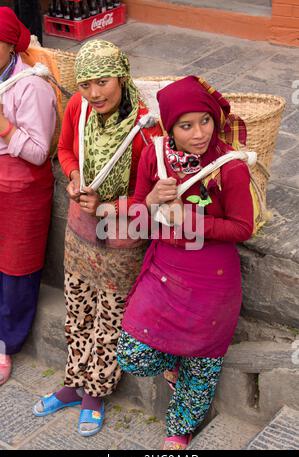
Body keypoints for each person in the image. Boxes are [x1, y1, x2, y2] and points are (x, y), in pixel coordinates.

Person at [116, 76, 254, 450]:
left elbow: (244, 227)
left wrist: (188, 220)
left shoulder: (230, 167)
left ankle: (180, 429)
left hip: (213, 281)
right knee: (131, 354)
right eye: (186, 125)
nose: (199, 133)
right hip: (165, 271)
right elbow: (141, 216)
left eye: (205, 121)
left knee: (203, 363)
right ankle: (172, 362)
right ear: (169, 127)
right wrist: (151, 201)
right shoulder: (154, 156)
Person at [33, 39, 162, 437]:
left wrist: (108, 207)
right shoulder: (79, 107)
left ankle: (96, 393)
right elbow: (67, 150)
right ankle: (73, 384)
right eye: (86, 84)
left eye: (102, 82)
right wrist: (74, 180)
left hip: (122, 240)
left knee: (110, 319)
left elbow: (148, 198)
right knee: (78, 311)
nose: (94, 93)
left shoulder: (144, 127)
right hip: (79, 233)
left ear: (121, 76)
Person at [0, 7, 56, 385]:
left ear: (9, 47)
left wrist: (4, 126)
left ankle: (5, 344)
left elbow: (39, 151)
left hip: (22, 186)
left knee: (15, 269)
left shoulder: (31, 85)